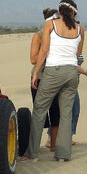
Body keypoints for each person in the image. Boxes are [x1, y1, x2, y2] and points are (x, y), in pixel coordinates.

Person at [23, 0, 84, 162]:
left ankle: (32, 153)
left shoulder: (51, 25)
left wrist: (36, 73)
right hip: (71, 73)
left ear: (59, 10)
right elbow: (78, 54)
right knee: (66, 114)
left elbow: (43, 51)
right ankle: (63, 154)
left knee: (39, 111)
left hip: (53, 71)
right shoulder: (80, 29)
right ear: (73, 12)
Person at [29, 8, 61, 151]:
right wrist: (47, 51)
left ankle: (54, 145)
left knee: (56, 113)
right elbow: (33, 59)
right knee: (39, 114)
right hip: (40, 78)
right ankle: (34, 148)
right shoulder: (39, 36)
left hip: (55, 78)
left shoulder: (60, 35)